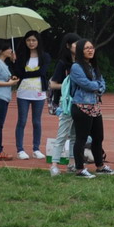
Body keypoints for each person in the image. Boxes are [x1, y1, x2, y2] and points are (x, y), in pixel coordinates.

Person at [69, 39, 114, 178]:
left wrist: (98, 86)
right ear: (80, 51)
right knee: (81, 138)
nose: (90, 50)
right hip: (81, 106)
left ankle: (100, 166)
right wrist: (98, 86)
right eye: (86, 48)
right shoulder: (76, 67)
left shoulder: (93, 66)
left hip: (94, 106)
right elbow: (86, 84)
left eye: (91, 48)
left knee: (98, 137)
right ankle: (79, 169)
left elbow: (102, 83)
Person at [11, 30, 51, 160]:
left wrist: (25, 74)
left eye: (33, 40)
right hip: (23, 93)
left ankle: (36, 149)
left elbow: (42, 72)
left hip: (39, 93)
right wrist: (14, 62)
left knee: (37, 122)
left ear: (38, 41)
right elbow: (17, 73)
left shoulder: (45, 57)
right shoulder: (21, 56)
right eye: (28, 40)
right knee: (22, 121)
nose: (31, 43)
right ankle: (20, 150)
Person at [48, 33, 81, 175]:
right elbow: (53, 84)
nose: (78, 46)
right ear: (68, 46)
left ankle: (72, 164)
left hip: (80, 102)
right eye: (75, 44)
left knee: (75, 135)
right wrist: (68, 85)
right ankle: (54, 165)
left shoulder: (82, 63)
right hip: (66, 102)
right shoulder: (63, 64)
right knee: (62, 134)